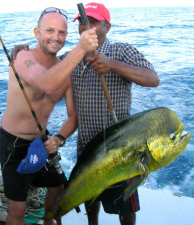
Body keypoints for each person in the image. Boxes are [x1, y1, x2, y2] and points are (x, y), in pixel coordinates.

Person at [0, 7, 98, 225]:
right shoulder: (23, 57)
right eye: (50, 30)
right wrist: (80, 49)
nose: (56, 37)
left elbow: (73, 117)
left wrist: (59, 139)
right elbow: (46, 83)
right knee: (18, 209)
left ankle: (48, 221)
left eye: (62, 32)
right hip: (12, 143)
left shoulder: (65, 69)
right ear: (36, 33)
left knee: (57, 188)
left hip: (41, 141)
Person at [68, 3, 160, 225]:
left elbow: (152, 79)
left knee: (125, 207)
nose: (85, 26)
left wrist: (112, 64)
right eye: (82, 21)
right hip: (87, 148)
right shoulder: (70, 58)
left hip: (121, 151)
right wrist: (25, 51)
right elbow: (47, 65)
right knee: (92, 202)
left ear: (107, 27)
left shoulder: (121, 50)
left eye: (93, 21)